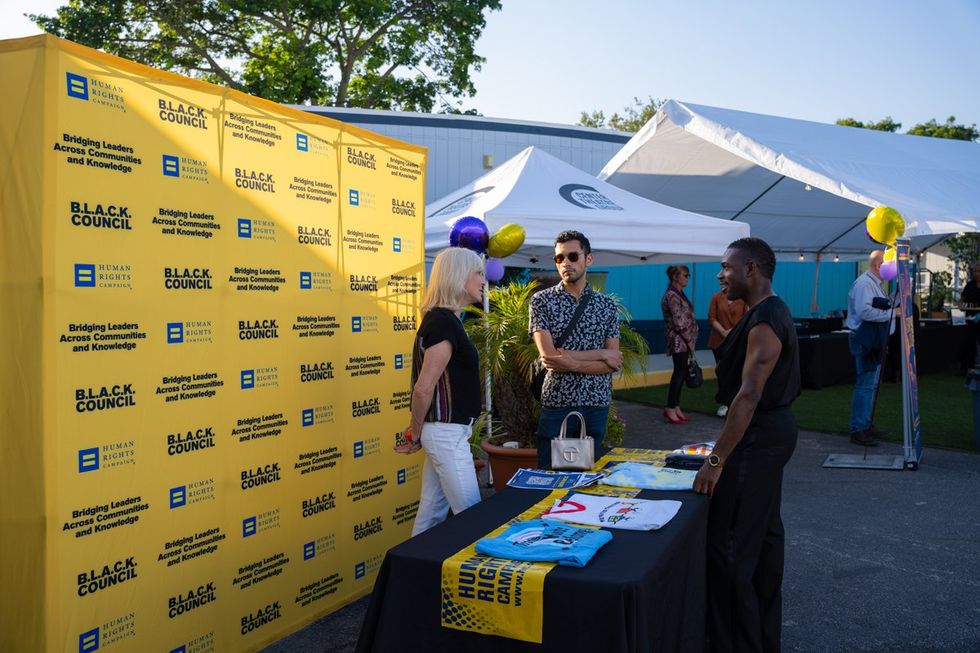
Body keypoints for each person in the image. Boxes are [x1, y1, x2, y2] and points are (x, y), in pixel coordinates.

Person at [693, 237, 800, 653]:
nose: (720, 275)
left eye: (726, 267)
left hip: (757, 439)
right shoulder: (763, 312)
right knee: (764, 538)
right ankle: (760, 639)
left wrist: (716, 460)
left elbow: (749, 394)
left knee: (732, 549)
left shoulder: (765, 319)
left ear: (751, 269)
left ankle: (737, 643)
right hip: (766, 436)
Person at [395, 247, 485, 536]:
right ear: (460, 277)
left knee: (431, 515)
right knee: (472, 517)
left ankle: (408, 580)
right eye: (478, 273)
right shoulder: (443, 322)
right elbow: (423, 389)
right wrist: (416, 432)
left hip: (448, 432)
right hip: (445, 433)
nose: (483, 280)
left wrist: (421, 432)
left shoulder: (447, 321)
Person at [530, 230, 622, 469]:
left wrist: (571, 363)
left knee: (589, 479)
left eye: (572, 256)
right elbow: (549, 356)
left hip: (596, 402)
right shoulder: (541, 301)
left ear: (588, 259)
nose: (566, 263)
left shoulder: (607, 306)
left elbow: (614, 362)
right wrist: (600, 353)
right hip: (557, 401)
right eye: (559, 258)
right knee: (549, 475)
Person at [846, 250, 895, 446]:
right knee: (865, 385)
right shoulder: (865, 284)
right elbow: (865, 311)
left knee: (870, 385)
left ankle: (865, 424)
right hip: (865, 339)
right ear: (878, 266)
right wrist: (893, 312)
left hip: (873, 339)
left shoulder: (874, 283)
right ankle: (859, 428)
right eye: (888, 266)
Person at [661, 264, 699, 424]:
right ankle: (670, 407)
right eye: (685, 275)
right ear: (675, 277)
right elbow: (679, 321)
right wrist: (689, 340)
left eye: (689, 275)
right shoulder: (672, 296)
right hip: (679, 340)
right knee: (679, 373)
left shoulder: (679, 294)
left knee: (681, 373)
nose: (688, 277)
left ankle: (675, 406)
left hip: (684, 340)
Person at [708, 287, 747, 417]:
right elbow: (712, 317)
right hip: (718, 340)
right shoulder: (716, 297)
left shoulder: (743, 298)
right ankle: (724, 402)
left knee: (735, 372)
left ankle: (735, 402)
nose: (724, 283)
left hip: (736, 339)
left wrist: (732, 332)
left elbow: (745, 317)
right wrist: (724, 332)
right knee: (722, 371)